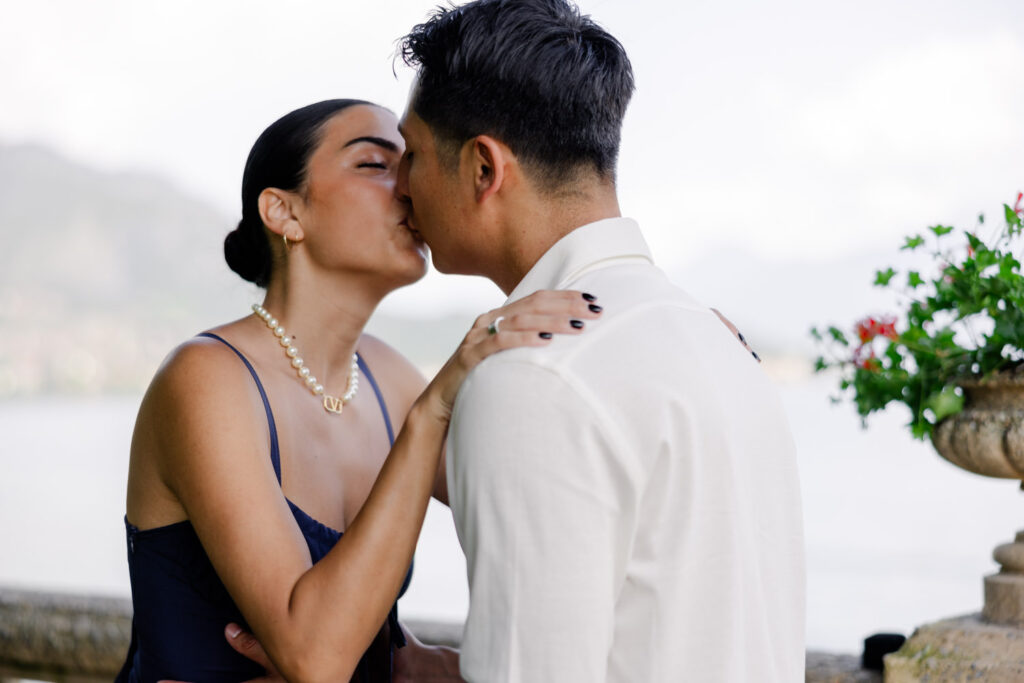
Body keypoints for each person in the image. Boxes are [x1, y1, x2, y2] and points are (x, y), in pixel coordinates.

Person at [116, 98, 602, 683]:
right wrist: (433, 410)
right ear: (284, 212)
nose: (408, 185)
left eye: (412, 161)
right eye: (375, 164)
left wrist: (672, 336)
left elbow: (553, 497)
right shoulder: (206, 380)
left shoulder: (386, 376)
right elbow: (317, 658)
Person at [392, 0, 806, 680]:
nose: (401, 186)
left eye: (411, 154)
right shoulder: (721, 345)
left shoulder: (533, 375)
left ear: (483, 168)